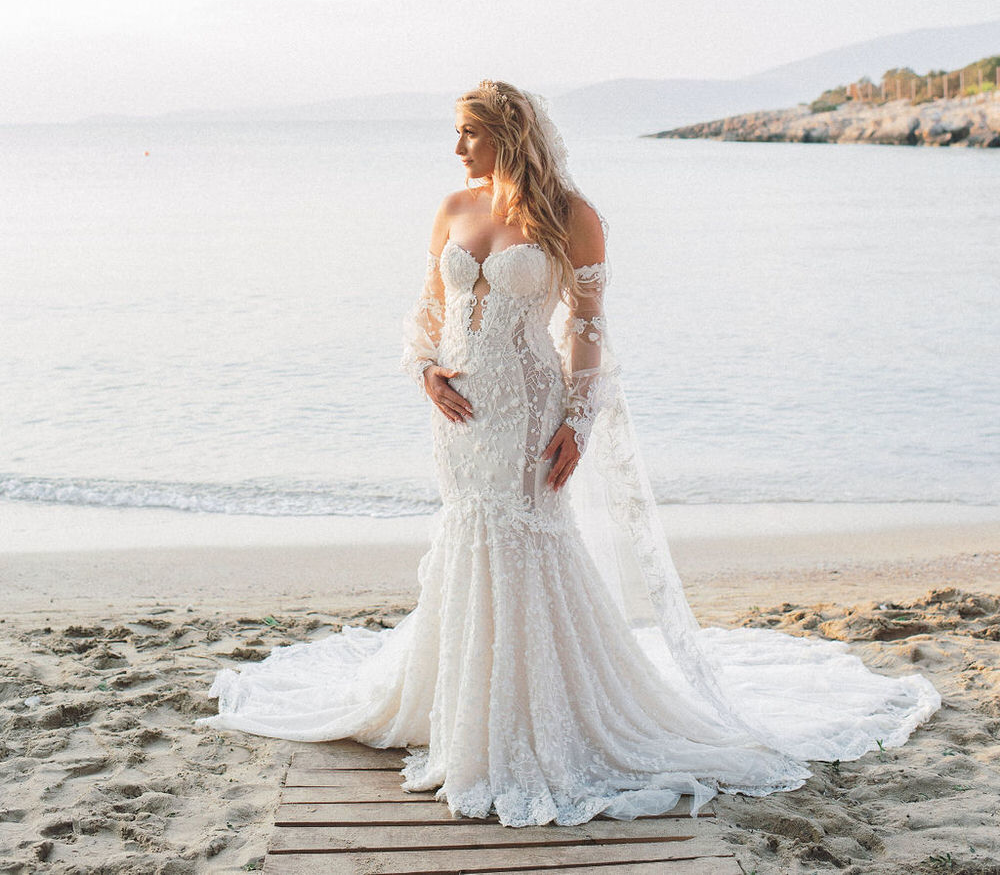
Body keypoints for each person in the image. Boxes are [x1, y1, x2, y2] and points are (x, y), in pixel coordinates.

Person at [205, 80, 940, 827]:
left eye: (468, 133)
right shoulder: (455, 208)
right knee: (469, 533)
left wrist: (579, 421)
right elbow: (429, 305)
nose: (457, 148)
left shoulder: (571, 215)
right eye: (456, 134)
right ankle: (460, 705)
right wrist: (424, 368)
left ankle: (533, 717)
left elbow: (587, 324)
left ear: (506, 133)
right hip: (459, 417)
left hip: (531, 411)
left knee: (527, 540)